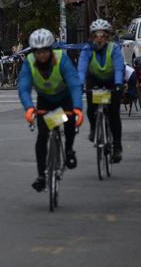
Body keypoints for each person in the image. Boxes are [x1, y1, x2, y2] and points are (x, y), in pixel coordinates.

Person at [18, 28, 84, 192]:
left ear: (51, 49)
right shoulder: (29, 62)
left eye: (45, 51)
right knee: (42, 136)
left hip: (64, 99)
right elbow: (24, 88)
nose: (41, 55)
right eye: (38, 51)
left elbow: (74, 84)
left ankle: (69, 150)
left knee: (69, 124)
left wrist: (77, 108)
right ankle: (42, 175)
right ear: (33, 51)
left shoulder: (62, 59)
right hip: (45, 101)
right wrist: (29, 108)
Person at [78, 19, 125, 163]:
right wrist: (80, 83)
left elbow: (118, 67)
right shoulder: (87, 50)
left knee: (114, 115)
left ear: (107, 36)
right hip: (94, 79)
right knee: (91, 108)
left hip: (112, 80)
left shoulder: (114, 48)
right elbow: (81, 68)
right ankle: (94, 129)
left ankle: (117, 147)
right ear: (92, 37)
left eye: (102, 35)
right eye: (96, 35)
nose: (99, 38)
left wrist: (118, 84)